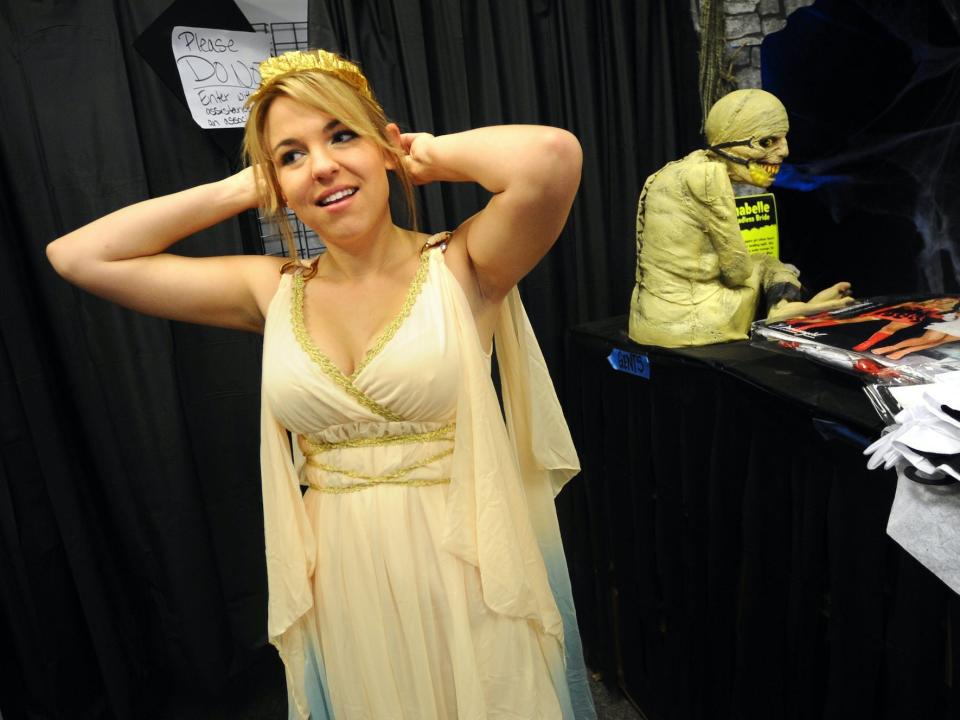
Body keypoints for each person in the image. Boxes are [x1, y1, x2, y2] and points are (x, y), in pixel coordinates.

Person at [46, 49, 595, 719]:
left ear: (383, 147)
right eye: (293, 154)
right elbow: (78, 256)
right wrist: (249, 186)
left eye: (341, 135)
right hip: (344, 580)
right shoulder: (270, 290)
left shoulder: (465, 264)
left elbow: (551, 158)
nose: (324, 164)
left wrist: (421, 151)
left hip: (467, 568)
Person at [628, 88, 853, 347]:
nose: (785, 152)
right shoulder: (709, 177)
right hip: (692, 320)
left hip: (646, 317)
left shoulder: (665, 173)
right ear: (730, 141)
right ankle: (783, 309)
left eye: (783, 139)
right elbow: (738, 271)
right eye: (767, 142)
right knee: (767, 263)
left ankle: (785, 306)